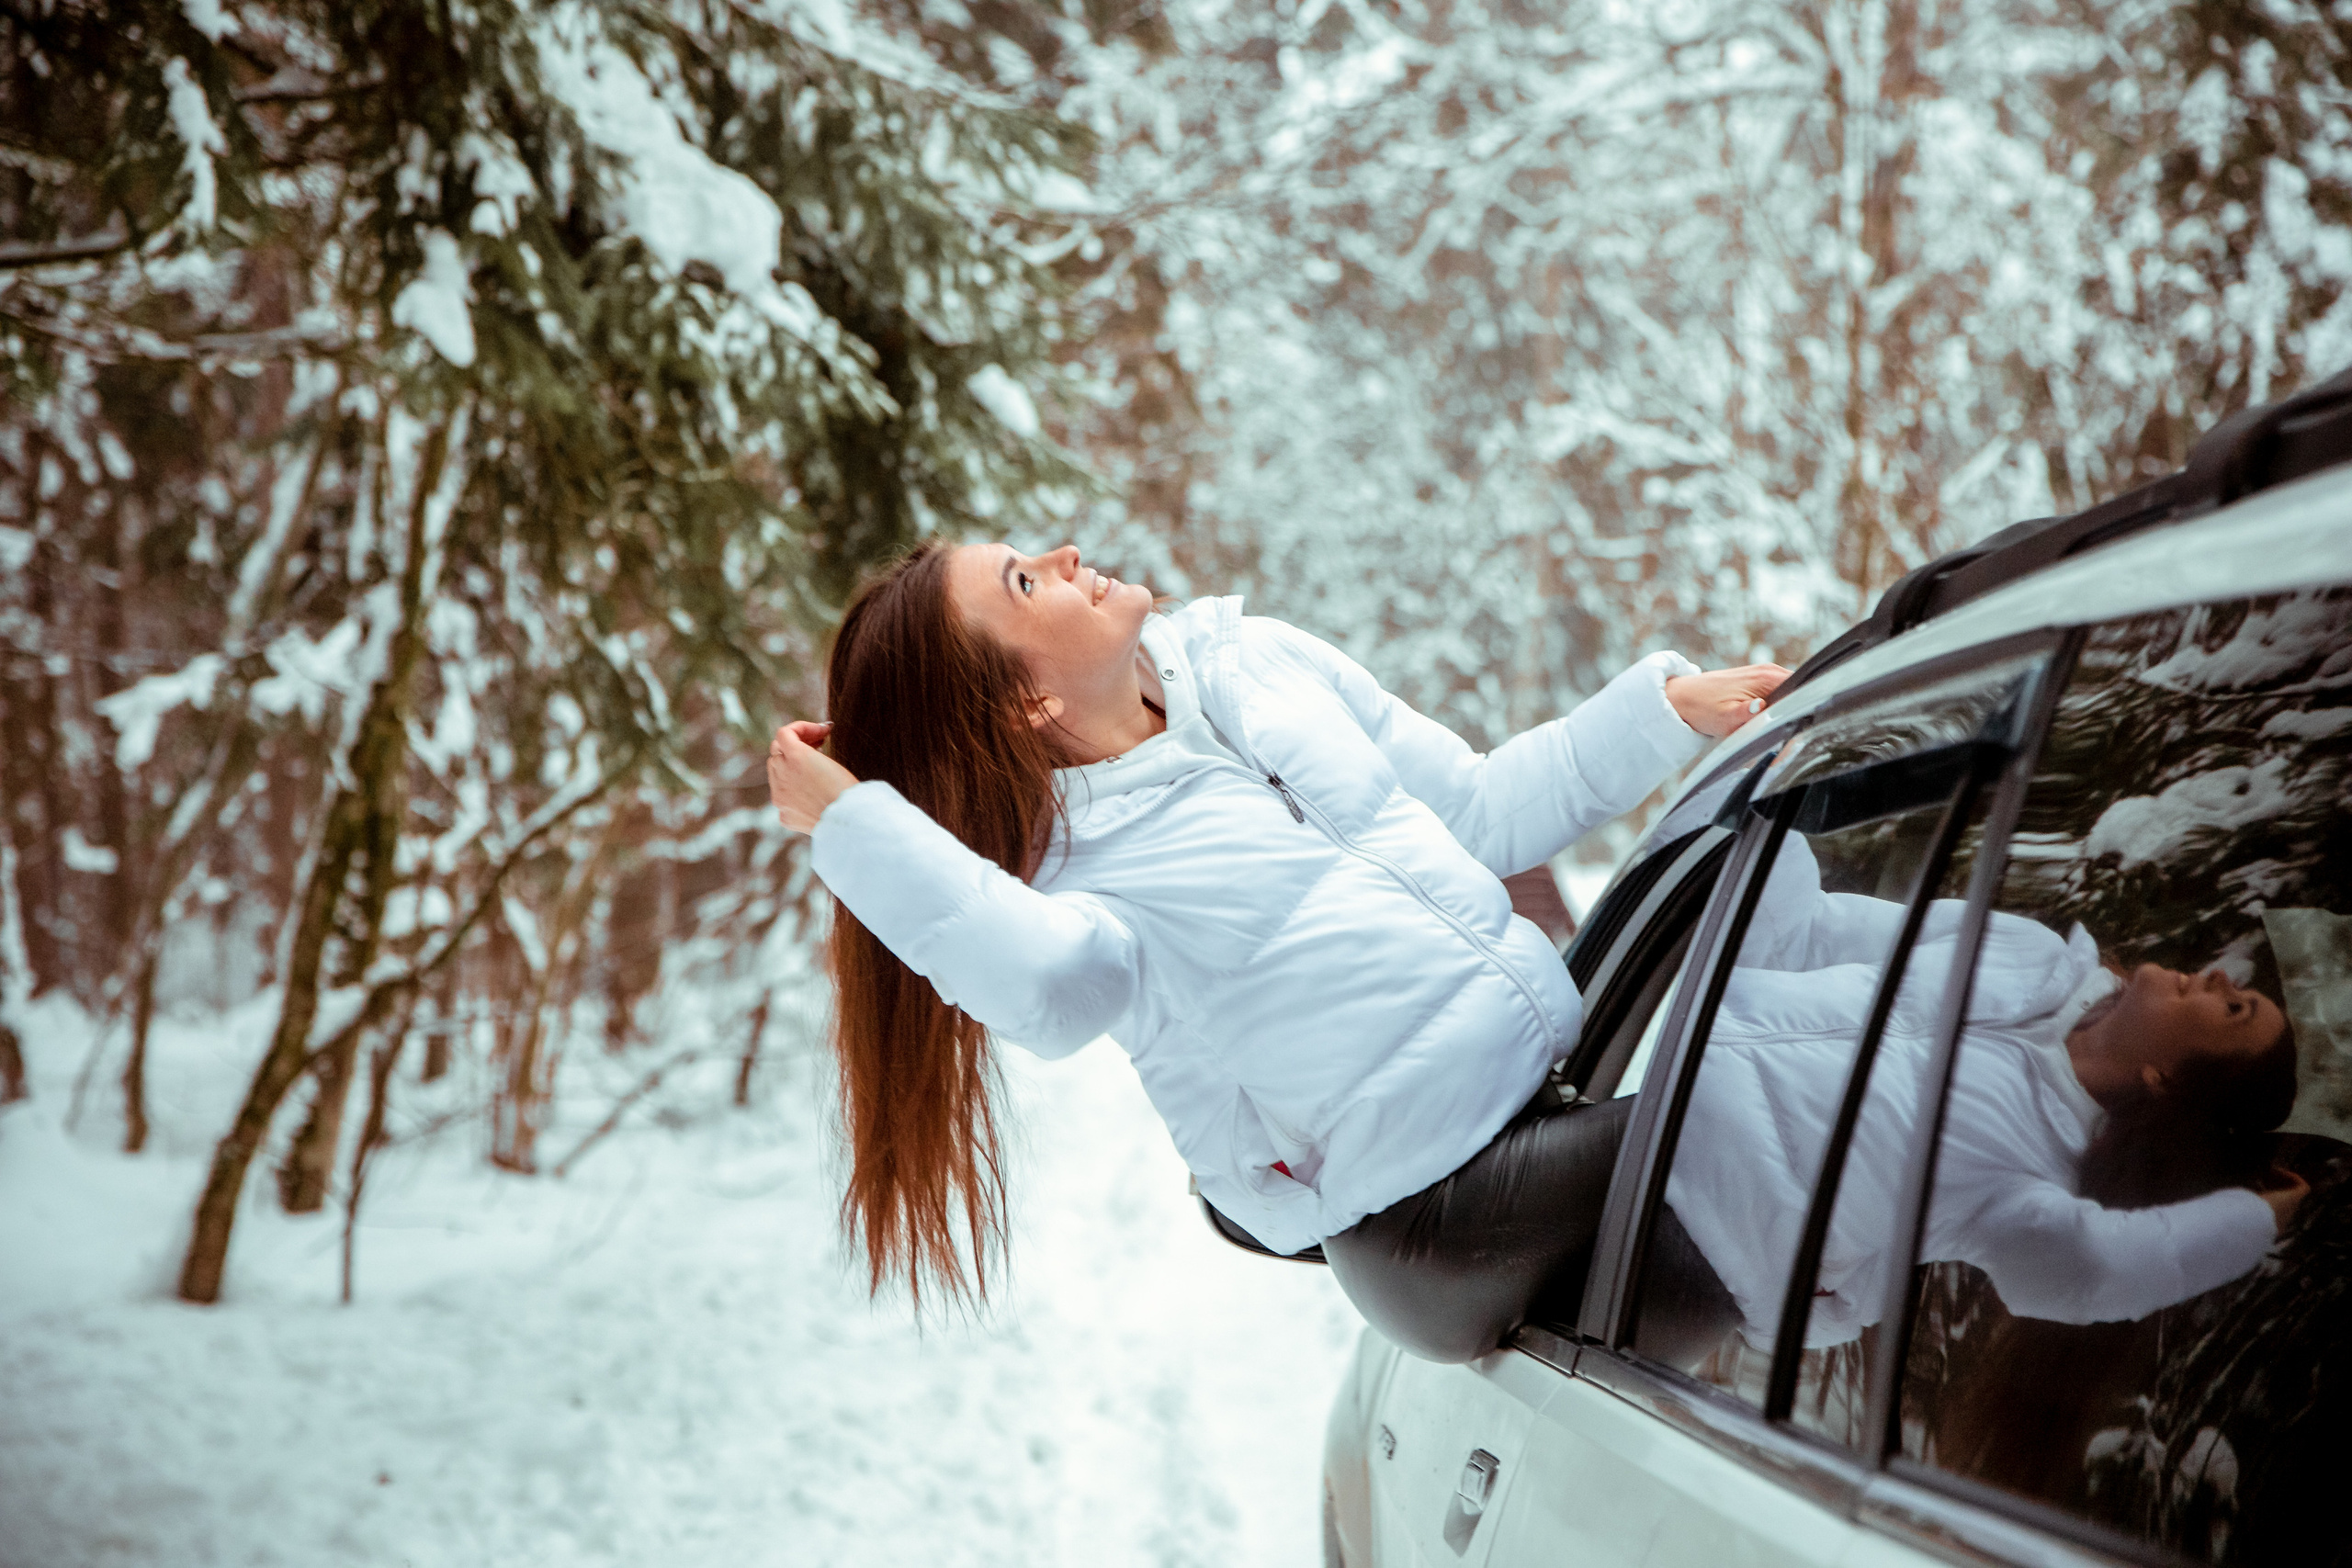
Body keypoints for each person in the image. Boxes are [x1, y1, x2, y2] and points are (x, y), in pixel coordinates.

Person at [764, 541, 1784, 1348]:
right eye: (1027, 582)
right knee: (1825, 1096)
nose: (1069, 554)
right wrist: (853, 828)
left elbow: (1475, 807)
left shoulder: (1257, 664)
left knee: (1831, 996)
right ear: (1028, 701)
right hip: (1438, 1214)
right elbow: (1047, 991)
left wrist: (1663, 714)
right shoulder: (1068, 874)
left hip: (1541, 1097)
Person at [1663, 833, 2304, 1360]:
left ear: (2167, 1080)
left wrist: (2252, 1221)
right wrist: (1760, 807)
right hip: (1647, 1079)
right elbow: (1812, 936)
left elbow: (2098, 1268)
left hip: (1676, 1239)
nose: (2222, 975)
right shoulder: (2032, 954)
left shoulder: (2038, 1180)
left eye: (2235, 1008)